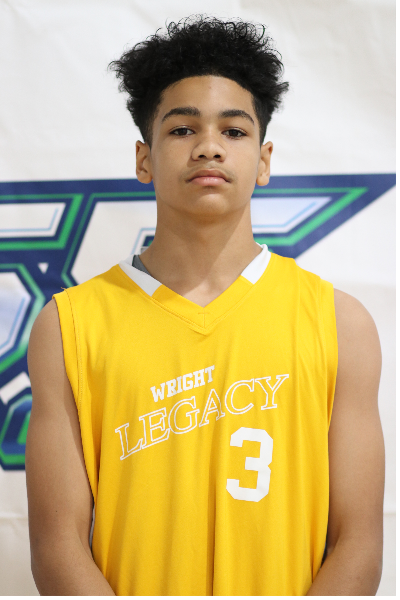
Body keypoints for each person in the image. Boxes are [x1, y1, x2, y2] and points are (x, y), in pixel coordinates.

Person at [26, 16, 384, 596]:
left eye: (234, 131)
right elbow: (56, 545)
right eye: (182, 128)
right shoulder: (68, 326)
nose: (209, 146)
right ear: (144, 159)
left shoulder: (341, 323)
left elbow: (359, 541)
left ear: (263, 160)